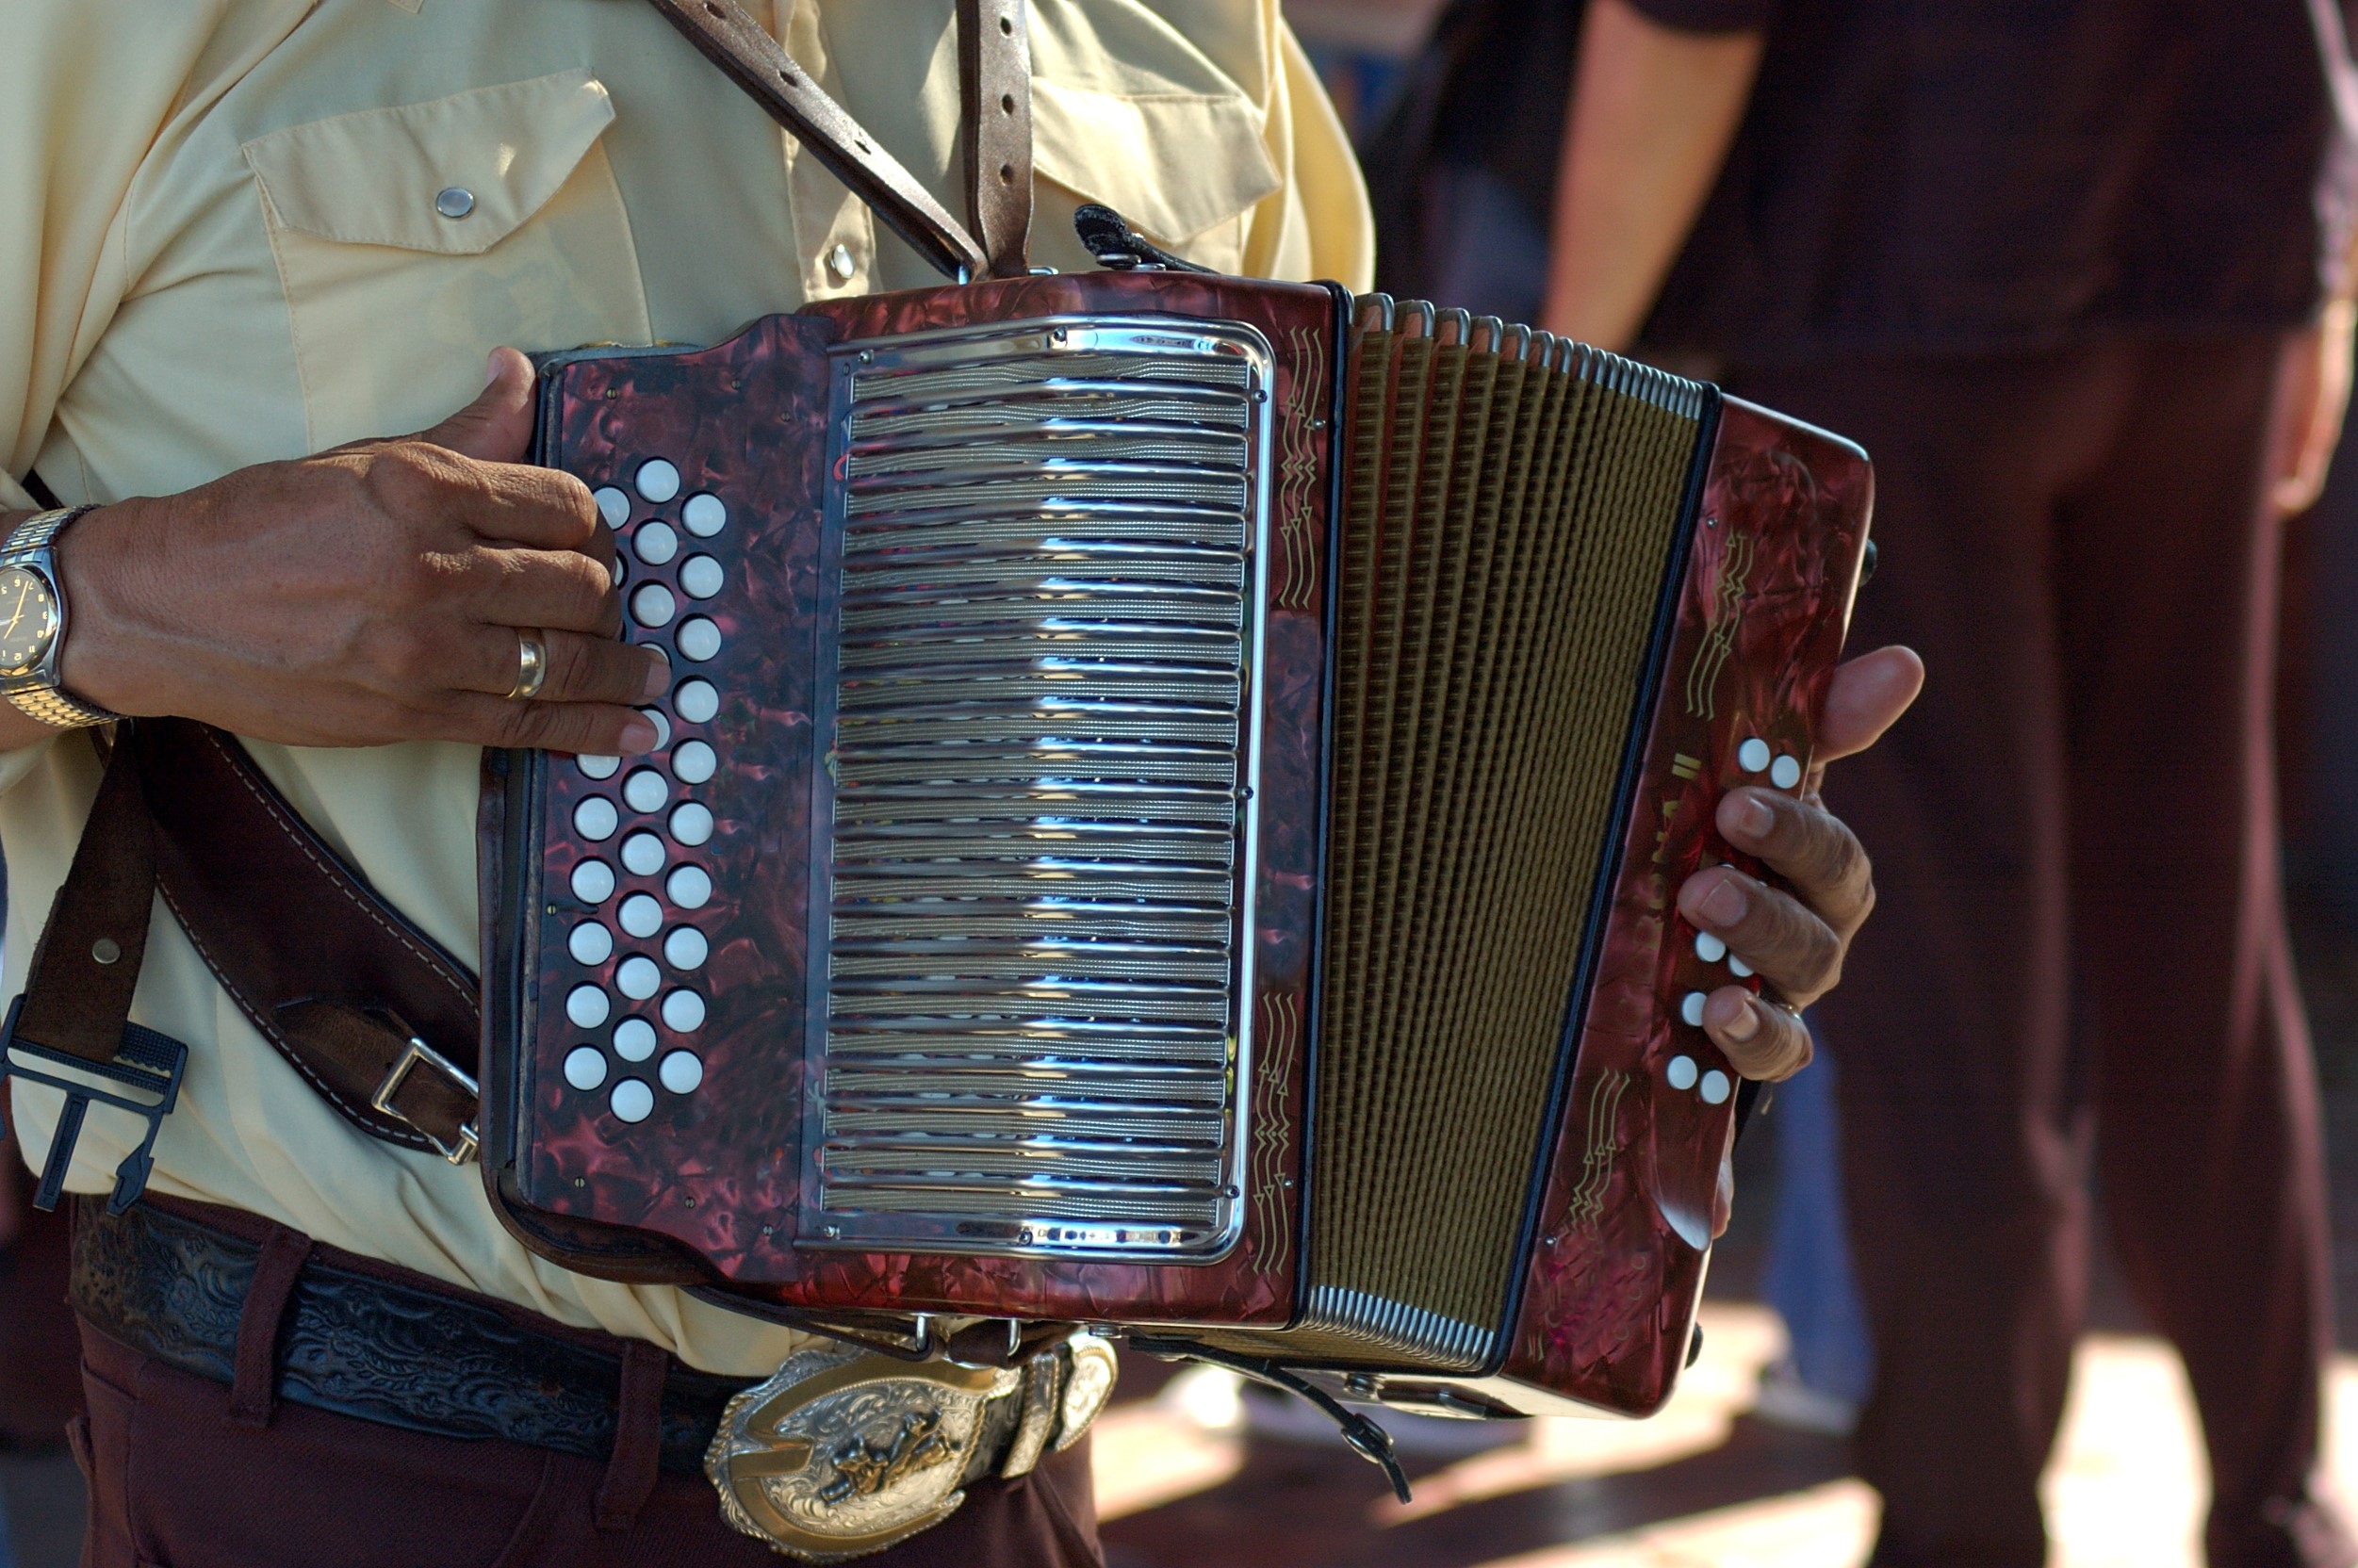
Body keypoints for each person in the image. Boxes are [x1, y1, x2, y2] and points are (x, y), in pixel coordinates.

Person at [0, 1, 1915, 1560]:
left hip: (1013, 1477)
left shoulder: (1186, 32)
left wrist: (1632, 922)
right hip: (363, 1467)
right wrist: (86, 600)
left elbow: (1355, 747)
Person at [1515, 0, 2358, 1562]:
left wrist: (1573, 371)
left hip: (1899, 258)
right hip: (2218, 238)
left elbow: (1684, 20)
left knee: (1958, 979)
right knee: (2200, 928)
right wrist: (2323, 272)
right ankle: (2279, 1511)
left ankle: (1964, 1522)